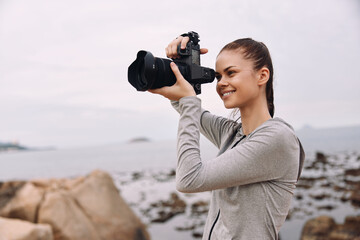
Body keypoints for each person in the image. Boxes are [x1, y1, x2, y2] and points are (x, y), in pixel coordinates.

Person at [149, 34, 305, 240]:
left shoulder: (277, 138)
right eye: (218, 76)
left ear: (262, 75)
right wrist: (177, 69)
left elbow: (189, 179)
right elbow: (188, 108)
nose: (222, 83)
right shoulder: (232, 133)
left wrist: (188, 100)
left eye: (230, 73)